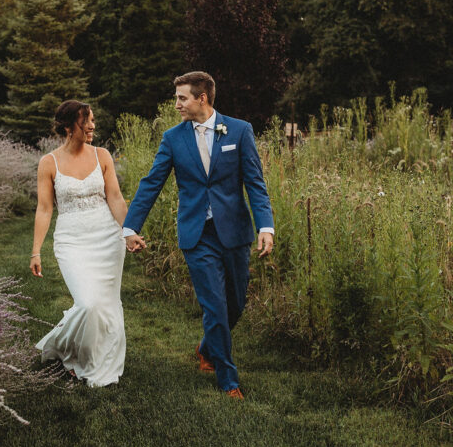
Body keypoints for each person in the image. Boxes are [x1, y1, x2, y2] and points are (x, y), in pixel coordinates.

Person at [123, 71, 274, 399]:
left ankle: (207, 348)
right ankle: (228, 378)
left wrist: (265, 226)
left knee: (236, 302)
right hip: (197, 234)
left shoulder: (239, 130)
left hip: (234, 231)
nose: (176, 104)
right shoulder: (173, 138)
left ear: (202, 98)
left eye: (182, 98)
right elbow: (152, 182)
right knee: (215, 305)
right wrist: (131, 226)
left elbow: (255, 182)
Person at [30, 100, 128, 386]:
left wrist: (129, 231)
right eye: (86, 121)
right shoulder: (49, 163)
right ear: (68, 126)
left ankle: (94, 358)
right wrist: (36, 250)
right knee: (86, 303)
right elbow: (45, 209)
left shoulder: (103, 156)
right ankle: (64, 347)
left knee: (105, 304)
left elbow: (115, 199)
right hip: (72, 239)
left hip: (108, 238)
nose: (92, 126)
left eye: (93, 120)